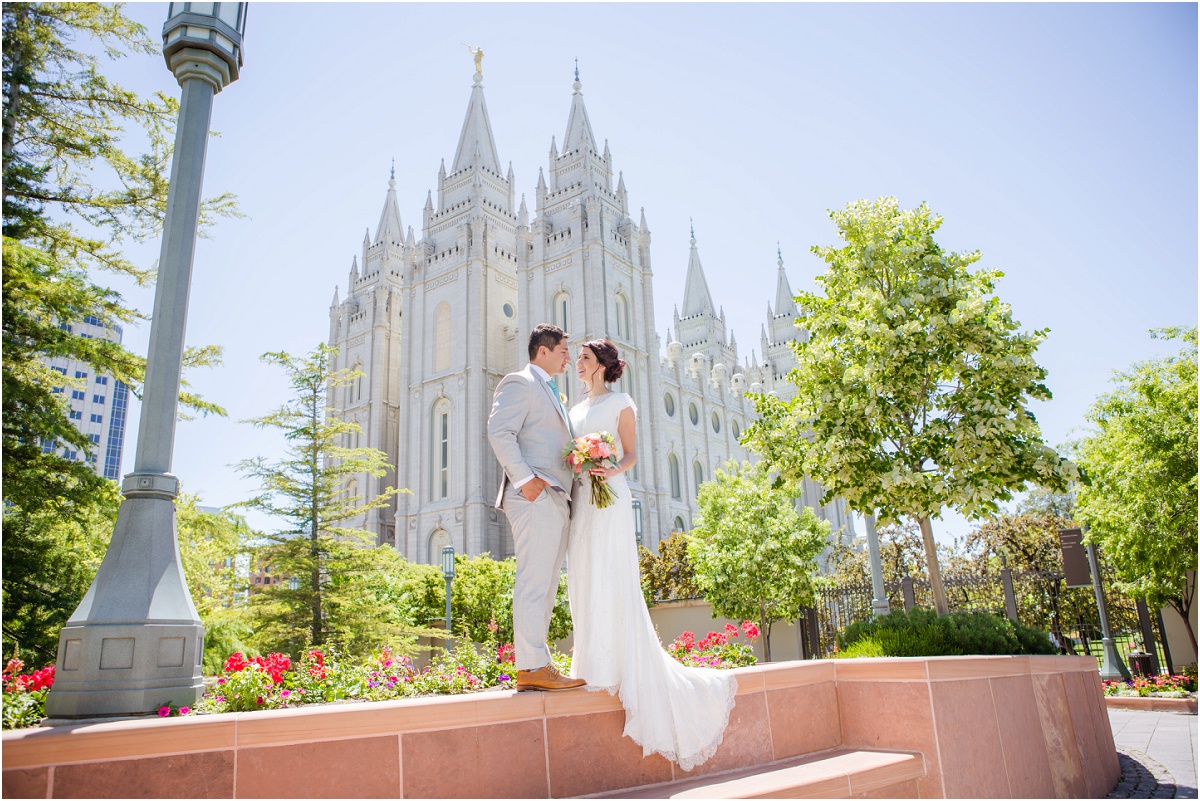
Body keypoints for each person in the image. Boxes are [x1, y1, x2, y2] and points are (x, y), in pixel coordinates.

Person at [566, 339, 736, 771]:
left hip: (611, 497)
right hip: (583, 500)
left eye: (584, 358)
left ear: (601, 365)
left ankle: (616, 665)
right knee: (585, 574)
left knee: (612, 574)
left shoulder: (621, 401)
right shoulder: (572, 408)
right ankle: (589, 661)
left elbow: (632, 456)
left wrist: (608, 467)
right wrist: (579, 463)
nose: (577, 363)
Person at [487, 324, 586, 692]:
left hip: (555, 497)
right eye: (563, 350)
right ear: (543, 351)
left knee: (544, 585)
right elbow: (499, 432)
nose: (567, 357)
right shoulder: (520, 382)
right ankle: (530, 665)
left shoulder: (551, 391)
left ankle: (537, 664)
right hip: (535, 496)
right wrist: (526, 479)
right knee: (533, 582)